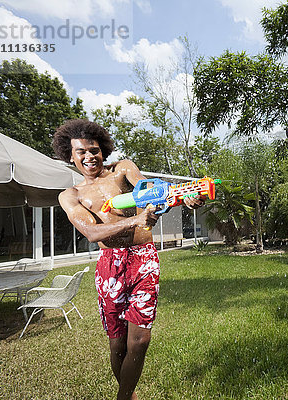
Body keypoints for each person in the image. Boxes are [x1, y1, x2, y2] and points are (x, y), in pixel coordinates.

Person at [53, 119, 206, 400]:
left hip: (143, 257)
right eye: (81, 152)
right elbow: (89, 231)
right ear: (70, 155)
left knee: (141, 340)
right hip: (109, 264)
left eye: (94, 150)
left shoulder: (122, 169)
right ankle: (129, 395)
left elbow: (151, 190)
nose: (89, 156)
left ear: (103, 149)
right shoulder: (70, 195)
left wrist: (184, 197)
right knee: (117, 345)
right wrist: (134, 219)